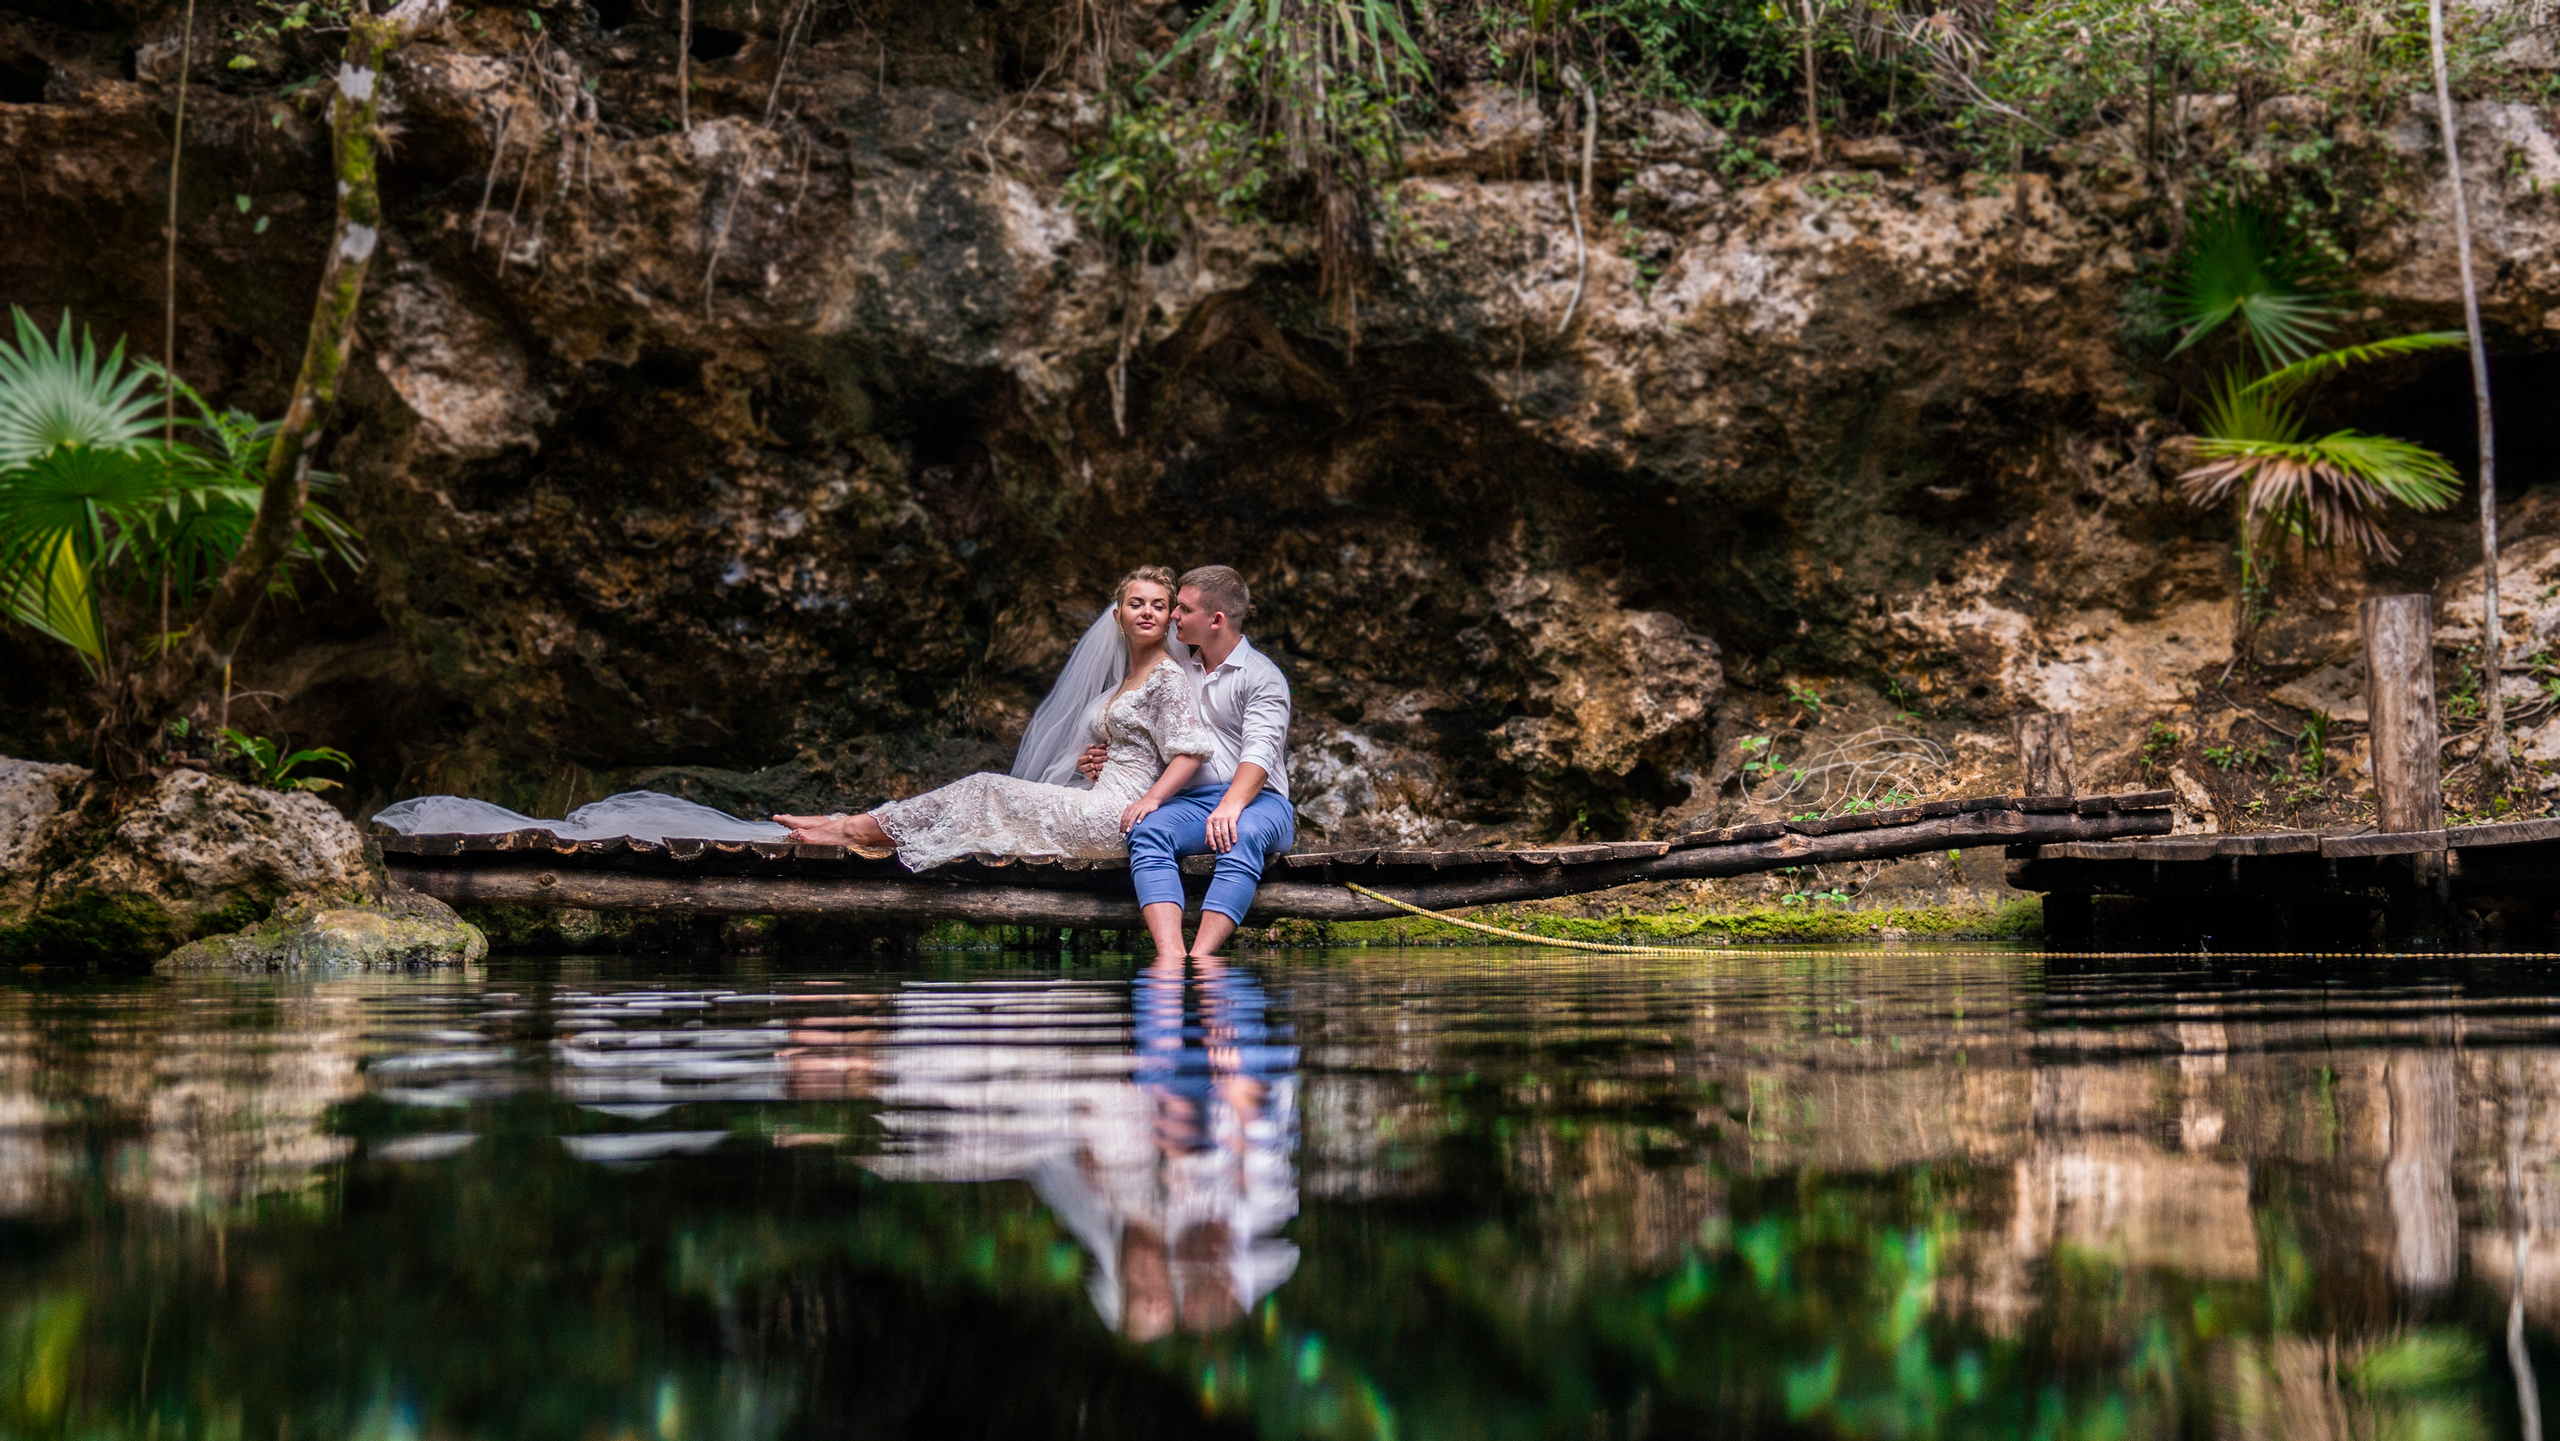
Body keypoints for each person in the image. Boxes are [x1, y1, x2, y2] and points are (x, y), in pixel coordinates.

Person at [772, 566, 1215, 870]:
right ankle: (850, 823)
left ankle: (853, 829)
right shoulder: (1127, 678)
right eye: (1137, 603)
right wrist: (1092, 765)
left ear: (1169, 616)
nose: (1147, 613)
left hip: (1118, 818)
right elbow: (1134, 746)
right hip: (1102, 800)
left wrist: (1150, 800)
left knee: (984, 790)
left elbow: (1190, 751)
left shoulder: (1166, 677)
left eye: (1158, 605)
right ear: (1118, 615)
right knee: (983, 798)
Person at [1079, 565, 1293, 963]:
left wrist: (1231, 804)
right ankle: (1171, 958)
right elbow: (1152, 736)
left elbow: (1260, 750)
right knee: (1147, 830)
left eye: (1183, 608)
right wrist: (1108, 759)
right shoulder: (1178, 672)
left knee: (1239, 833)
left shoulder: (1262, 676)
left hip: (1261, 801)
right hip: (1193, 802)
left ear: (1216, 620)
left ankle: (1202, 960)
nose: (1173, 615)